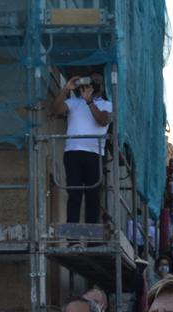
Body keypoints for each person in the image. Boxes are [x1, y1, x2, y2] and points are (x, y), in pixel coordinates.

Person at [49, 73, 112, 223]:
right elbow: (55, 109)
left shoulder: (106, 104)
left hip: (95, 154)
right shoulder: (74, 102)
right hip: (73, 153)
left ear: (101, 87)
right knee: (74, 194)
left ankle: (92, 242)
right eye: (91, 79)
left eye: (97, 80)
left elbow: (103, 121)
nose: (93, 82)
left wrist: (89, 101)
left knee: (93, 195)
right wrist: (66, 88)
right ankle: (73, 239)